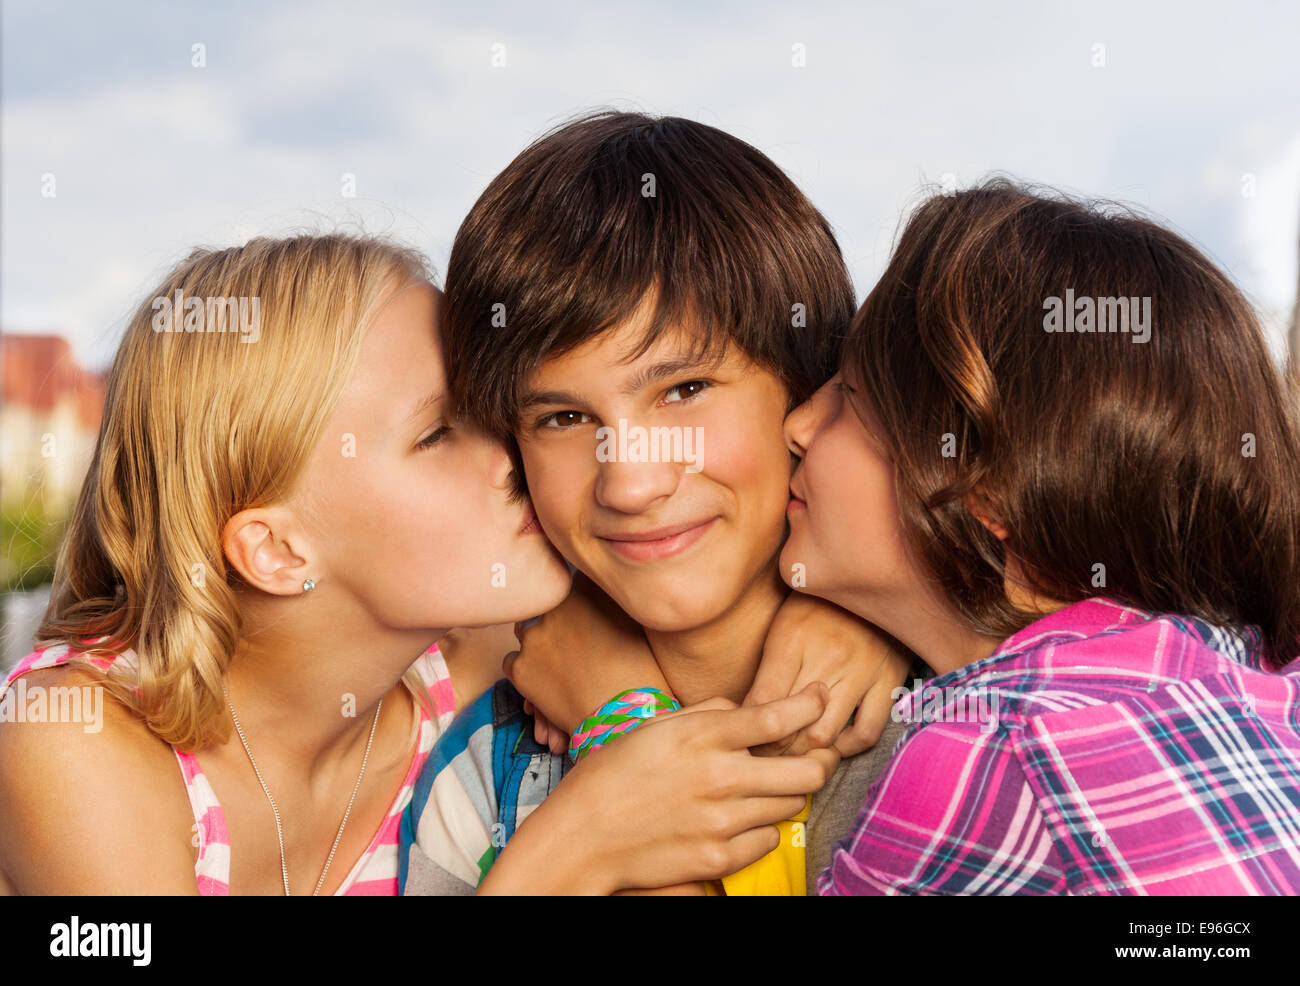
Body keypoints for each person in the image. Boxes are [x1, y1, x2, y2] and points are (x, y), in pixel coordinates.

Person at [0, 234, 843, 895]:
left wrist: (838, 621)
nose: (513, 452)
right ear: (278, 549)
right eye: (439, 432)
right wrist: (573, 849)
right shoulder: (74, 739)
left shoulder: (478, 665)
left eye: (500, 409)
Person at [401, 112, 917, 896]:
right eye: (564, 419)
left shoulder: (955, 726)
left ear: (809, 392)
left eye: (684, 390)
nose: (629, 483)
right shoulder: (482, 785)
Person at [780, 179, 1300, 894]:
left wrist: (615, 700)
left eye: (852, 398)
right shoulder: (1265, 682)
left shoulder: (983, 755)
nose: (799, 423)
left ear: (988, 497)